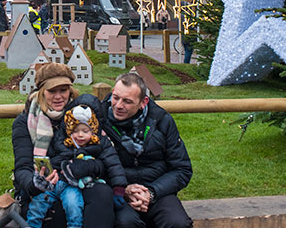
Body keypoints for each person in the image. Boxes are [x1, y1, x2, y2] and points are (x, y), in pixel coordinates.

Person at [12, 63, 115, 228]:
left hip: (80, 180)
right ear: (41, 92)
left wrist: (87, 166)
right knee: (58, 212)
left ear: (71, 91)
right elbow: (22, 167)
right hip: (43, 188)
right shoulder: (25, 122)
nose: (58, 96)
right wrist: (35, 183)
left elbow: (104, 153)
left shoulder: (83, 116)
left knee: (102, 196)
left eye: (63, 90)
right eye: (52, 91)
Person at [100, 73, 193, 228]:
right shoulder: (100, 121)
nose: (118, 105)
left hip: (157, 189)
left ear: (143, 102)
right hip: (118, 191)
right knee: (126, 223)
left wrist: (151, 193)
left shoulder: (162, 121)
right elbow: (94, 166)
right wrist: (124, 188)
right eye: (115, 97)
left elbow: (182, 169)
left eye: (127, 101)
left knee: (178, 223)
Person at [25, 104, 128, 228]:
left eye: (85, 131)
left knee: (73, 206)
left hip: (73, 185)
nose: (80, 135)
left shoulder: (98, 145)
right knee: (38, 203)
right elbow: (54, 158)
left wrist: (119, 188)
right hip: (55, 182)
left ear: (93, 131)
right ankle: (30, 225)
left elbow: (114, 165)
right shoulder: (62, 142)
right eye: (75, 131)